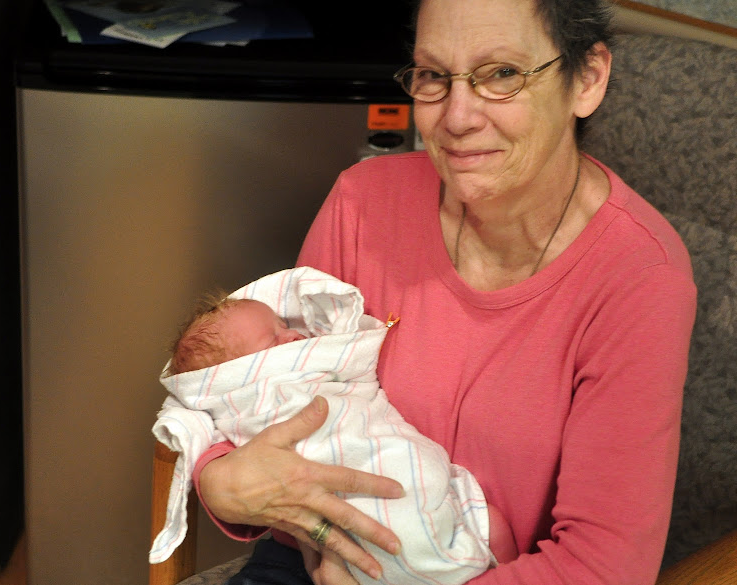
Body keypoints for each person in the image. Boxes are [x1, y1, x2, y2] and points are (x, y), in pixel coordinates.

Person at [193, 1, 698, 584]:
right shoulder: (363, 203)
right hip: (312, 559)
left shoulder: (639, 278)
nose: (456, 117)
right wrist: (217, 475)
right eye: (434, 75)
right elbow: (244, 384)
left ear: (587, 79)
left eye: (502, 74)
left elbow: (602, 567)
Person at [150, 267, 517, 585]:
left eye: (284, 326)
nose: (294, 335)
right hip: (310, 547)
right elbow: (197, 433)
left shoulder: (323, 357)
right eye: (273, 339)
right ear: (234, 374)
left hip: (418, 490)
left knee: (492, 527)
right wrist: (217, 477)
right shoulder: (241, 396)